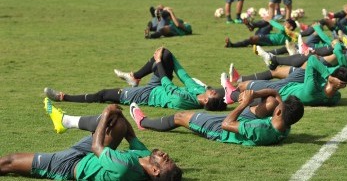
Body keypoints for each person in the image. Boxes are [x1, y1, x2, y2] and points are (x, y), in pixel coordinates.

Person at [0, 101, 182, 180]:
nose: (166, 154)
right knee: (117, 123)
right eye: (169, 157)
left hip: (72, 165)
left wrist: (105, 113)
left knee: (10, 161)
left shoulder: (126, 168)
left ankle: (65, 121)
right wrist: (117, 113)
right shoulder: (145, 156)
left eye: (165, 160)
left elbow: (97, 147)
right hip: (93, 153)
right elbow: (130, 135)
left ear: (156, 171)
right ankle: (65, 121)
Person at [45, 47, 226, 111]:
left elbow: (168, 84)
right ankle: (135, 77)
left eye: (213, 93)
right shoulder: (199, 91)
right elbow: (184, 76)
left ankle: (63, 97)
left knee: (103, 94)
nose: (212, 90)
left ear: (206, 101)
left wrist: (157, 61)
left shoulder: (183, 100)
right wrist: (167, 56)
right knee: (166, 55)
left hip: (147, 95)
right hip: (159, 85)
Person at [129, 89, 304, 146]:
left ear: (279, 113)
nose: (278, 106)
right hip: (246, 121)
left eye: (279, 108)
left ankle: (143, 122)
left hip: (221, 130)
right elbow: (276, 93)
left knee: (180, 116)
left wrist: (244, 103)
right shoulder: (285, 124)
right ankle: (233, 93)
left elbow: (226, 124)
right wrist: (252, 94)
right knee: (271, 100)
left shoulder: (261, 129)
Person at [222, 55, 347, 106]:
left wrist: (328, 76)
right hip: (293, 86)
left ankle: (230, 94)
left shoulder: (312, 89)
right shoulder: (335, 97)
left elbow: (312, 60)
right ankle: (235, 83)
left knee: (244, 86)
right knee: (281, 72)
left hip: (281, 89)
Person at [225, 18, 297, 48]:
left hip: (269, 41)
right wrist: (268, 21)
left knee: (251, 40)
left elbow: (281, 28)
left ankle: (232, 45)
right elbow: (280, 27)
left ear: (291, 27)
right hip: (266, 36)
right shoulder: (285, 30)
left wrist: (270, 20)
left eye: (286, 23)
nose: (284, 23)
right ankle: (252, 26)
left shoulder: (290, 34)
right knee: (267, 24)